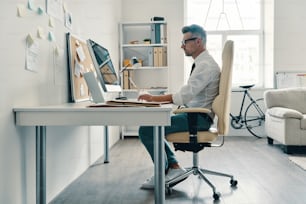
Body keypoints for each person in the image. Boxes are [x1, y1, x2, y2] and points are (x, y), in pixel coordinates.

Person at [138, 24, 221, 189]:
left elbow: (184, 96)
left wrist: (153, 98)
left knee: (147, 129)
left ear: (198, 41)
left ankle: (165, 172)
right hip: (195, 115)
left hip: (198, 119)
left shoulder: (205, 65)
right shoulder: (202, 63)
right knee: (152, 126)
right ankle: (173, 167)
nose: (181, 46)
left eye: (185, 42)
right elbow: (187, 94)